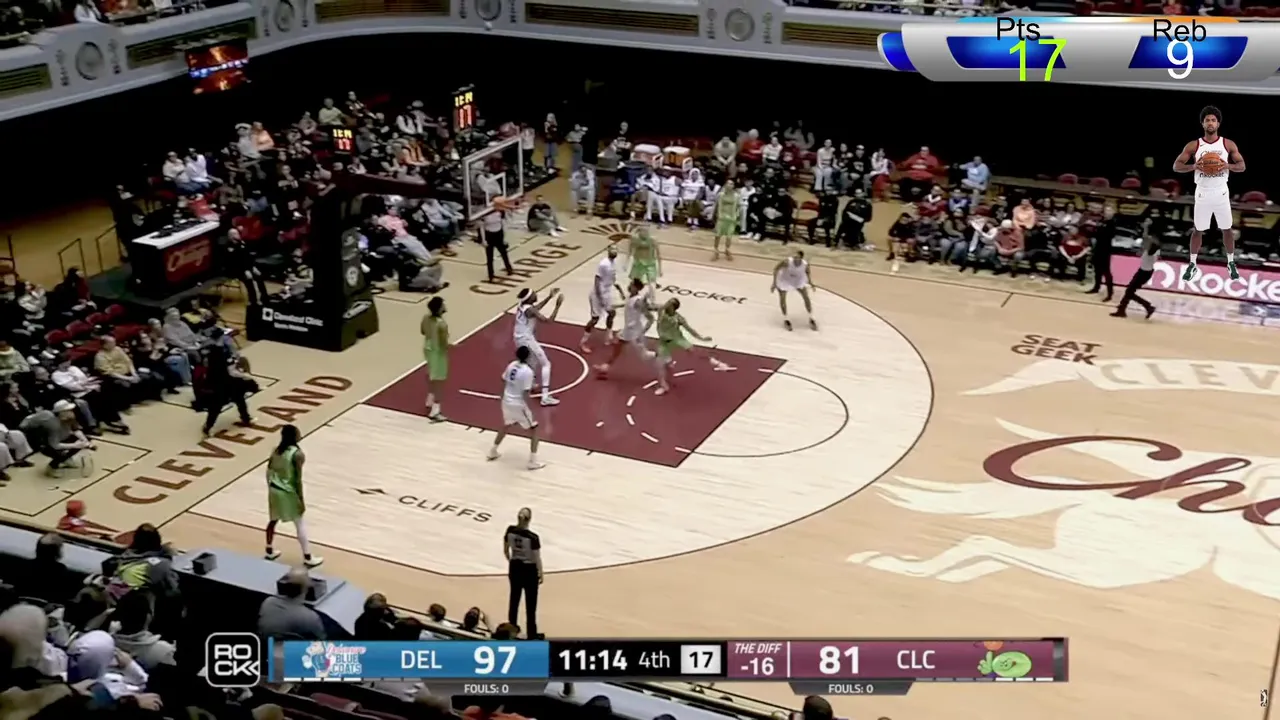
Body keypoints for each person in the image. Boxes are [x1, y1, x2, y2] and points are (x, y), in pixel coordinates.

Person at [1171, 105, 1245, 282]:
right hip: (1202, 192)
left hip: (1221, 192)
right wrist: (1193, 166)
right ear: (1202, 124)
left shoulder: (1227, 144)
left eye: (1213, 120)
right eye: (1207, 120)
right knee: (1198, 230)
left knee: (1227, 229)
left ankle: (1231, 262)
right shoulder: (1194, 145)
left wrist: (1227, 165)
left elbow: (1242, 166)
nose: (1210, 123)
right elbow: (1176, 166)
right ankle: (1192, 264)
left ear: (1218, 124)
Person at [265, 424, 322, 568]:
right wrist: (300, 498)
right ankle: (308, 557)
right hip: (288, 491)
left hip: (274, 488)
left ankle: (269, 550)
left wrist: (270, 486)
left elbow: (268, 470)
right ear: (294, 436)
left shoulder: (276, 450)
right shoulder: (297, 454)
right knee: (299, 522)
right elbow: (297, 479)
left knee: (273, 520)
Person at [654, 298, 731, 396]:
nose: (666, 303)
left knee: (695, 352)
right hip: (663, 342)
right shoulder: (661, 311)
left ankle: (717, 363)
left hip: (677, 340)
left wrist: (702, 338)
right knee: (659, 364)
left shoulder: (678, 318)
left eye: (669, 303)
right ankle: (664, 386)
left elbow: (690, 330)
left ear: (673, 307)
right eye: (667, 301)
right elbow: (653, 307)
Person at [486, 346, 546, 471]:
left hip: (506, 401)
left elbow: (504, 381)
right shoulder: (528, 372)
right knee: (534, 429)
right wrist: (529, 407)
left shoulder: (511, 365)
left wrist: (502, 396)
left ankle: (493, 451)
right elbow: (525, 393)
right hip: (518, 404)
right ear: (528, 357)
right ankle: (532, 462)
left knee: (506, 425)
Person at [593, 278, 657, 379]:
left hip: (634, 333)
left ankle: (665, 358)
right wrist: (616, 305)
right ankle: (604, 368)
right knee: (617, 348)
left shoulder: (638, 301)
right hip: (628, 330)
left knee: (645, 355)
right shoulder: (631, 297)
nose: (629, 285)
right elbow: (627, 303)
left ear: (636, 288)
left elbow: (650, 316)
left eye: (631, 284)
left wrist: (643, 331)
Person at [512, 288, 564, 407]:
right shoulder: (530, 310)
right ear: (529, 298)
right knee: (546, 364)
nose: (536, 294)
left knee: (532, 361)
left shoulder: (523, 305)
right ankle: (545, 397)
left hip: (518, 337)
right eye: (533, 293)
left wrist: (549, 297)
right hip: (526, 339)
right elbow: (548, 321)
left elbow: (536, 308)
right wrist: (557, 306)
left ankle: (530, 384)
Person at [503, 507, 543, 639]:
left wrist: (511, 559)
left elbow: (506, 550)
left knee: (514, 599)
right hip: (529, 569)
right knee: (531, 604)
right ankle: (531, 633)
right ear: (529, 519)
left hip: (515, 566)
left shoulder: (510, 530)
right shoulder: (533, 537)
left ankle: (511, 628)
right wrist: (541, 573)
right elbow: (536, 558)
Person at [201, 343, 255, 436]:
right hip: (226, 384)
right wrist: (245, 377)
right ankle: (246, 419)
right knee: (238, 401)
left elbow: (208, 374)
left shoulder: (210, 361)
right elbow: (232, 372)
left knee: (217, 407)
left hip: (220, 385)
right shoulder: (223, 359)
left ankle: (208, 426)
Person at [579, 246, 619, 354]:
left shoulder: (614, 263)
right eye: (612, 249)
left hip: (607, 292)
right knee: (595, 319)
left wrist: (618, 288)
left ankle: (608, 337)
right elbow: (597, 280)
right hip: (598, 294)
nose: (614, 251)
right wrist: (600, 297)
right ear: (608, 251)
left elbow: (612, 278)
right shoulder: (603, 264)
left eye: (616, 249)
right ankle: (583, 342)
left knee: (612, 313)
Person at [1111, 234, 1159, 320]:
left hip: (1144, 274)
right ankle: (1123, 309)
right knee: (1129, 291)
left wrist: (1147, 234)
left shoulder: (1150, 253)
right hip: (1143, 272)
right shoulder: (1152, 252)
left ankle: (1147, 306)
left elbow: (1146, 242)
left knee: (1129, 291)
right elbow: (1145, 244)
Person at [771, 250, 819, 331]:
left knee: (806, 297)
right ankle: (786, 319)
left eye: (797, 257)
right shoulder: (786, 262)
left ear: (801, 258)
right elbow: (776, 269)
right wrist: (774, 283)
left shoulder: (805, 264)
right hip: (785, 280)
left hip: (798, 281)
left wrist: (811, 283)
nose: (795, 258)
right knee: (782, 298)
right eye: (794, 257)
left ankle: (811, 317)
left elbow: (807, 273)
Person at [421, 296, 449, 422]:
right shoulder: (442, 324)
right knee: (439, 381)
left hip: (428, 348)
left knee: (431, 374)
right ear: (439, 308)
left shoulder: (425, 318)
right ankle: (435, 411)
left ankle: (429, 399)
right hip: (438, 352)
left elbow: (422, 331)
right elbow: (444, 344)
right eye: (443, 304)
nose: (445, 306)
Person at [480, 203, 515, 281]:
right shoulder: (484, 214)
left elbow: (503, 224)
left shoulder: (500, 212)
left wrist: (504, 237)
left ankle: (509, 268)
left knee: (504, 253)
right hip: (489, 235)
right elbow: (482, 227)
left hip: (499, 234)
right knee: (489, 257)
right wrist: (483, 240)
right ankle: (491, 275)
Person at [713, 180, 739, 262]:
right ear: (725, 185)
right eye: (728, 183)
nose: (730, 185)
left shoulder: (736, 196)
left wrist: (735, 217)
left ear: (733, 186)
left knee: (729, 236)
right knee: (717, 235)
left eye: (732, 184)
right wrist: (719, 215)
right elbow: (719, 206)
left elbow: (736, 207)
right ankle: (716, 250)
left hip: (731, 218)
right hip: (722, 217)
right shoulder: (721, 195)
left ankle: (727, 249)